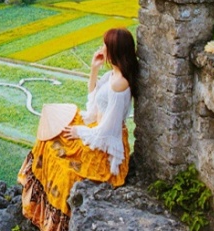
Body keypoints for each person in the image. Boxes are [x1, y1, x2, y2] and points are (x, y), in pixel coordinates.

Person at [18, 27, 138, 231]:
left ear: (114, 50)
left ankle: (58, 223)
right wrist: (94, 69)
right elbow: (94, 104)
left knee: (65, 171)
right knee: (49, 140)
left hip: (105, 147)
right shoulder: (112, 75)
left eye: (105, 45)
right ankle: (41, 209)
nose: (101, 48)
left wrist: (80, 132)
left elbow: (108, 131)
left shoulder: (120, 84)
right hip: (95, 130)